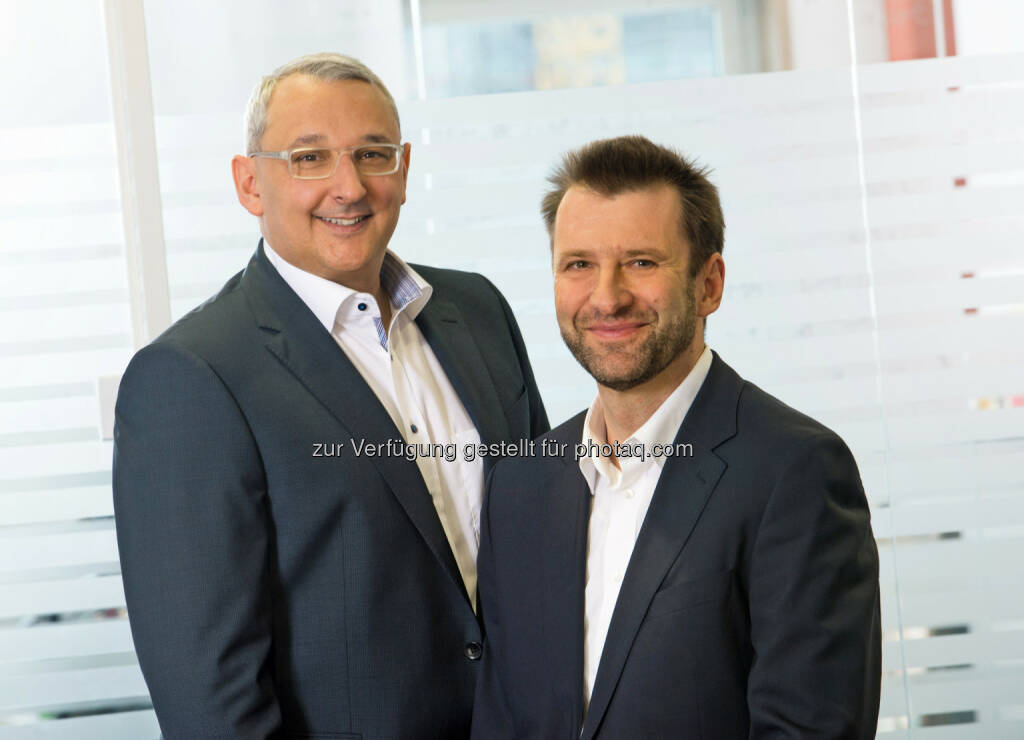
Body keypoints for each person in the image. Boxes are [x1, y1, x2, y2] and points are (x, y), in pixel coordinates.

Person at [112, 52, 547, 739]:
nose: (349, 187)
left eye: (372, 154)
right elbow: (209, 700)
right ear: (250, 183)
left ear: (404, 169)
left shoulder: (479, 310)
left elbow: (544, 544)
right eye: (309, 159)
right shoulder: (190, 377)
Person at [472, 135, 880, 739]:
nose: (607, 297)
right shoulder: (520, 485)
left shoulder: (794, 471)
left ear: (709, 284)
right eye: (579, 264)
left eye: (641, 262)